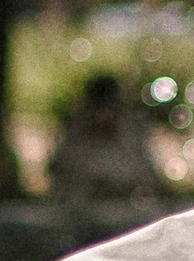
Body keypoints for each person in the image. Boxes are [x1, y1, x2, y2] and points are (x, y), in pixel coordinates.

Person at [47, 68, 164, 204]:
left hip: (125, 210)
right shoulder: (74, 132)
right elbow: (57, 172)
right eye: (97, 107)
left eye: (108, 107)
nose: (102, 116)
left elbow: (147, 178)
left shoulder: (131, 133)